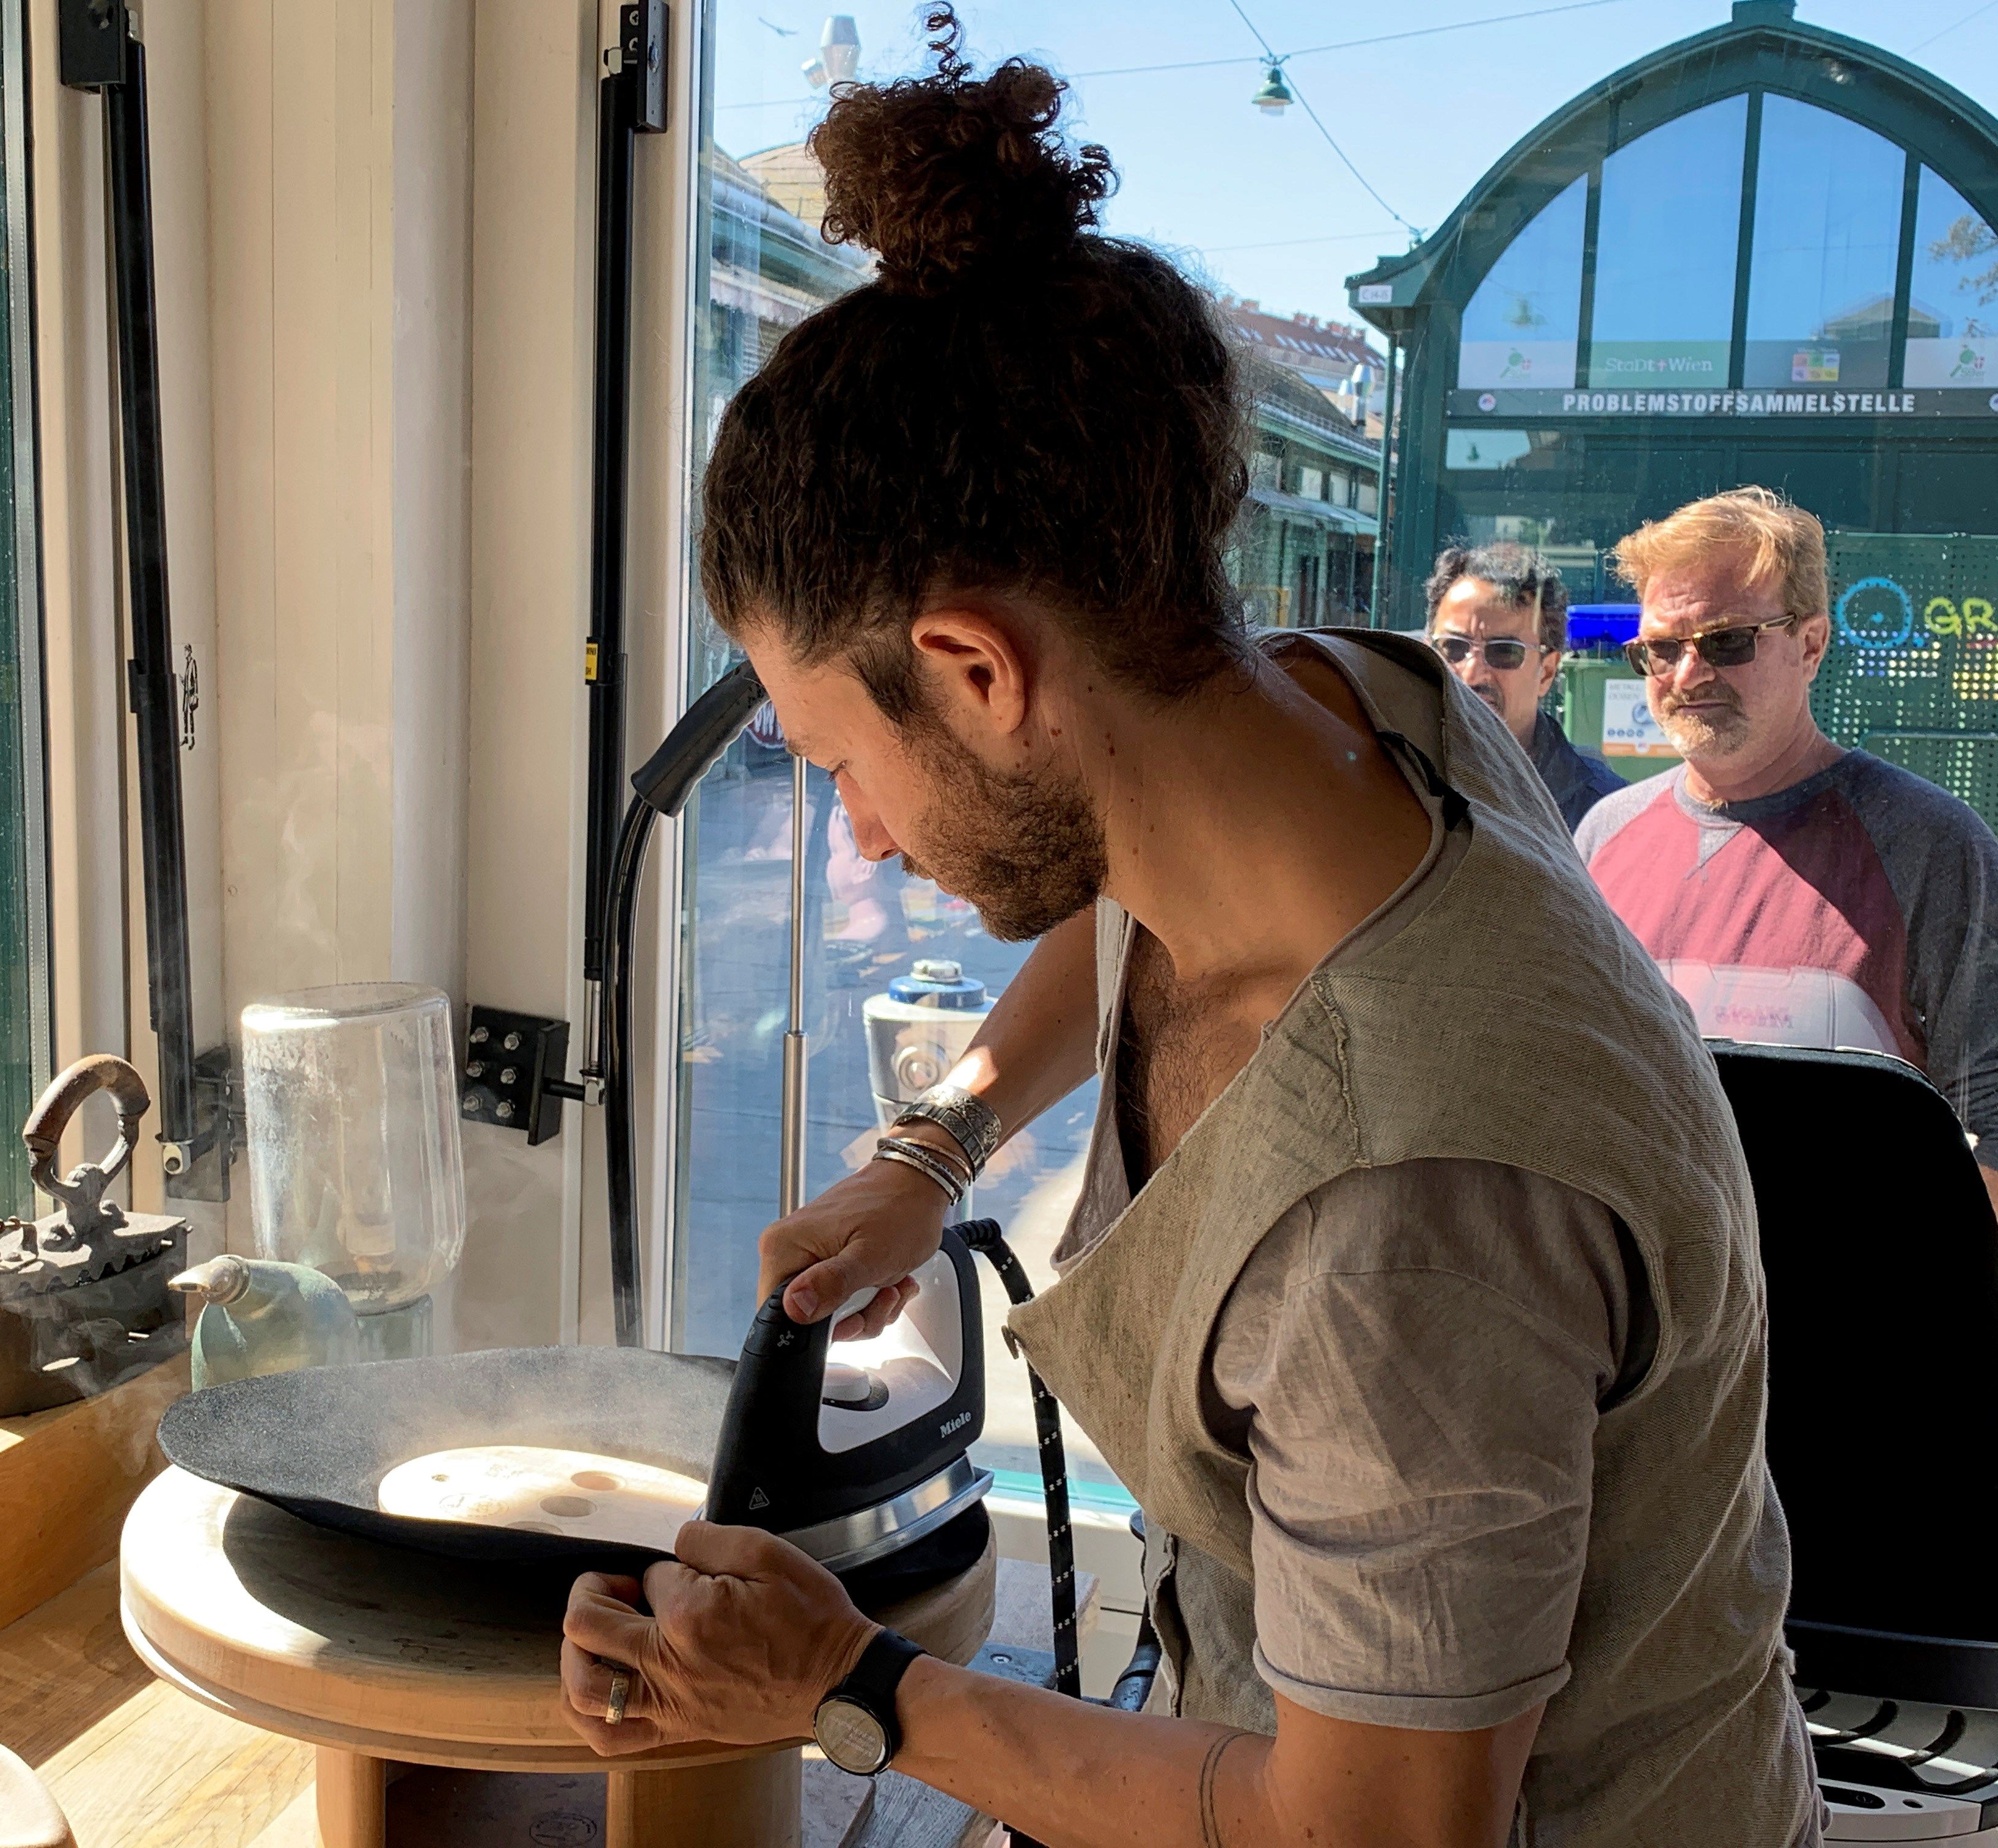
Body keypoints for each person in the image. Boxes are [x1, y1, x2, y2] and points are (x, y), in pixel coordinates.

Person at [555, 20, 1818, 1848]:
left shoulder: (1413, 1220)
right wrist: (934, 1147)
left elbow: (1369, 1837)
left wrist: (855, 1687)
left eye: (843, 759)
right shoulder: (1342, 720)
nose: (860, 833)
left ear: (978, 671)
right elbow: (1134, 897)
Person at [1575, 488, 1998, 1247]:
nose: (1687, 673)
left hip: (1838, 1354)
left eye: (1727, 640)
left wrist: (1905, 1288)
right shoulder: (1605, 836)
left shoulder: (1926, 843)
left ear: (1811, 644)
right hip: (1644, 1344)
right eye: (1662, 649)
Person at [1424, 542, 1622, 828]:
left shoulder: (1602, 816)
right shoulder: (1384, 784)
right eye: (1453, 648)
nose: (1472, 673)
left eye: (1504, 652)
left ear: (1547, 673)